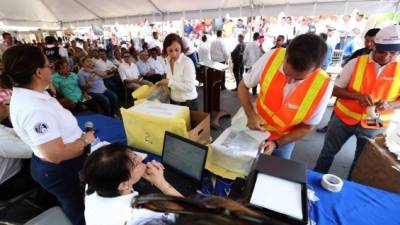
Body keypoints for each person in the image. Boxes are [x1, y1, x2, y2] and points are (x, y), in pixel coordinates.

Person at [2, 45, 95, 225]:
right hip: (62, 168)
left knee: (70, 201)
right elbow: (55, 154)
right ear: (38, 72)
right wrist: (84, 140)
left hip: (54, 167)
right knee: (78, 209)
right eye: (48, 66)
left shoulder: (32, 95)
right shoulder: (34, 108)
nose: (50, 68)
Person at [314, 25, 400, 177]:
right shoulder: (356, 63)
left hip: (375, 122)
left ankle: (350, 187)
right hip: (344, 119)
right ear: (373, 45)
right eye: (381, 51)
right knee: (327, 153)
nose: (386, 57)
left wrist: (390, 105)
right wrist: (357, 96)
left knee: (361, 161)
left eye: (392, 53)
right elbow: (334, 90)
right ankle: (315, 179)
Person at [238, 34, 332, 159]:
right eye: (286, 73)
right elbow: (243, 86)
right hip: (254, 129)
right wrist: (250, 114)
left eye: (298, 79)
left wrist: (277, 144)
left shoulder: (324, 86)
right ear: (285, 56)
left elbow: (307, 126)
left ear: (315, 69)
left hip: (284, 140)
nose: (289, 81)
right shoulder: (273, 56)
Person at [80, 143, 180, 225]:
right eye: (136, 163)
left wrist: (136, 173)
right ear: (123, 185)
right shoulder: (144, 215)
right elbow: (192, 214)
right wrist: (161, 182)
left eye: (135, 154)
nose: (141, 158)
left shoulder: (92, 185)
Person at [0, 100, 36, 201]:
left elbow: (16, 132)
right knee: (51, 169)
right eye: (0, 105)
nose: (4, 105)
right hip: (7, 185)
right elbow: (32, 151)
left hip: (11, 174)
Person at [156, 33, 199, 111]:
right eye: (170, 50)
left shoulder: (187, 62)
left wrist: (169, 82)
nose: (174, 54)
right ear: (166, 50)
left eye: (177, 50)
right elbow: (172, 82)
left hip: (188, 102)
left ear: (181, 48)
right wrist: (163, 84)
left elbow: (190, 87)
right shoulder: (168, 61)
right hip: (174, 101)